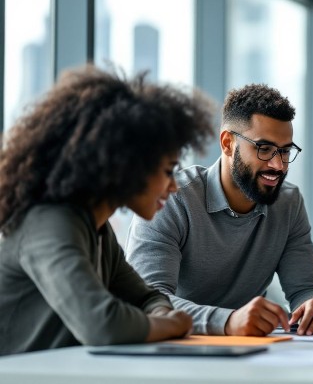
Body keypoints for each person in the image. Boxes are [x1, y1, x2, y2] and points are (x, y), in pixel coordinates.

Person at [0, 66, 215, 355]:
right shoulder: (49, 223)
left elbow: (146, 297)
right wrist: (172, 325)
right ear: (127, 166)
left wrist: (163, 314)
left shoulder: (98, 230)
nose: (173, 186)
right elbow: (102, 324)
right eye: (167, 171)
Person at [126, 84, 313, 337]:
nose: (278, 165)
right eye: (264, 149)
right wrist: (228, 321)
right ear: (227, 143)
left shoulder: (288, 202)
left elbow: (306, 287)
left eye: (285, 151)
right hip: (176, 350)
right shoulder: (172, 198)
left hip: (249, 353)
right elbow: (147, 300)